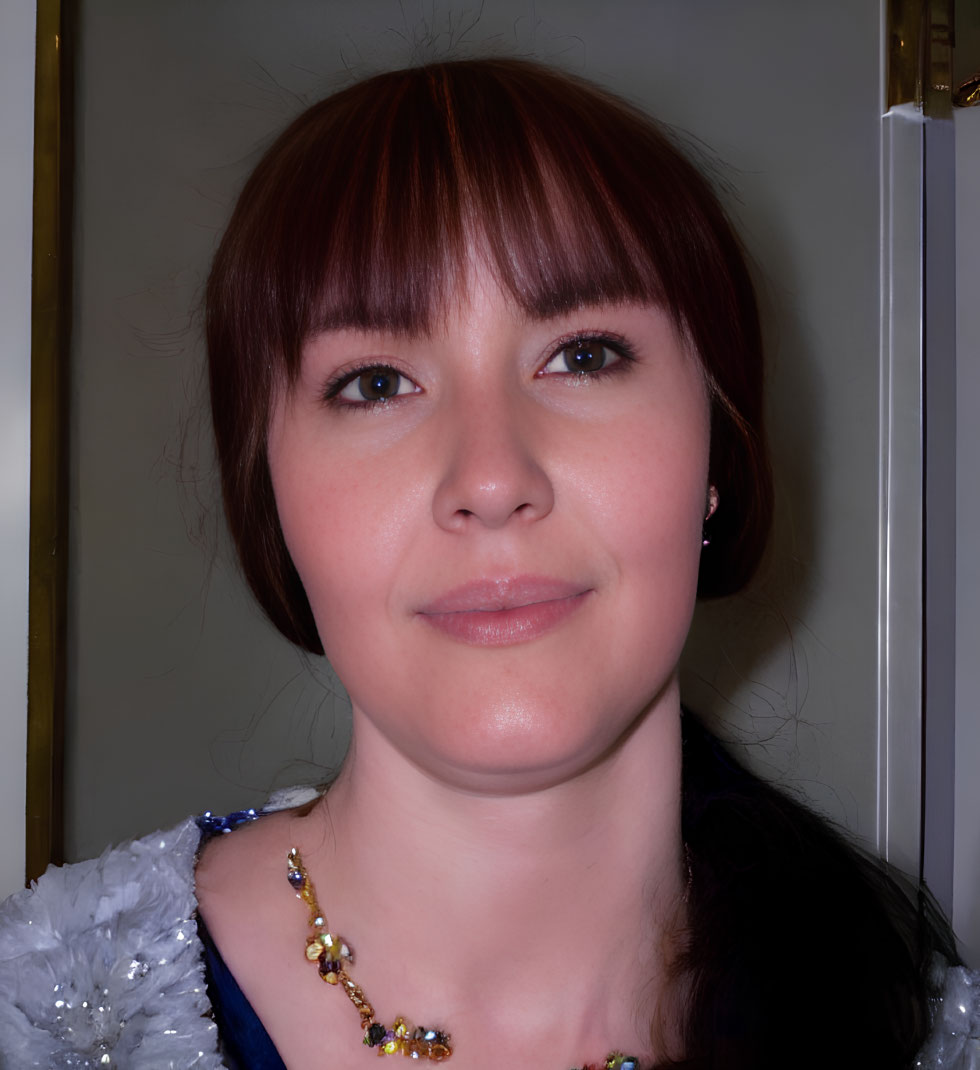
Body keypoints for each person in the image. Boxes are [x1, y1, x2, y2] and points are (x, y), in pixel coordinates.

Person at [1, 58, 977, 1070]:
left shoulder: (920, 1034)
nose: (490, 475)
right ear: (271, 495)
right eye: (375, 381)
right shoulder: (40, 1019)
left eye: (583, 354)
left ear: (716, 453)